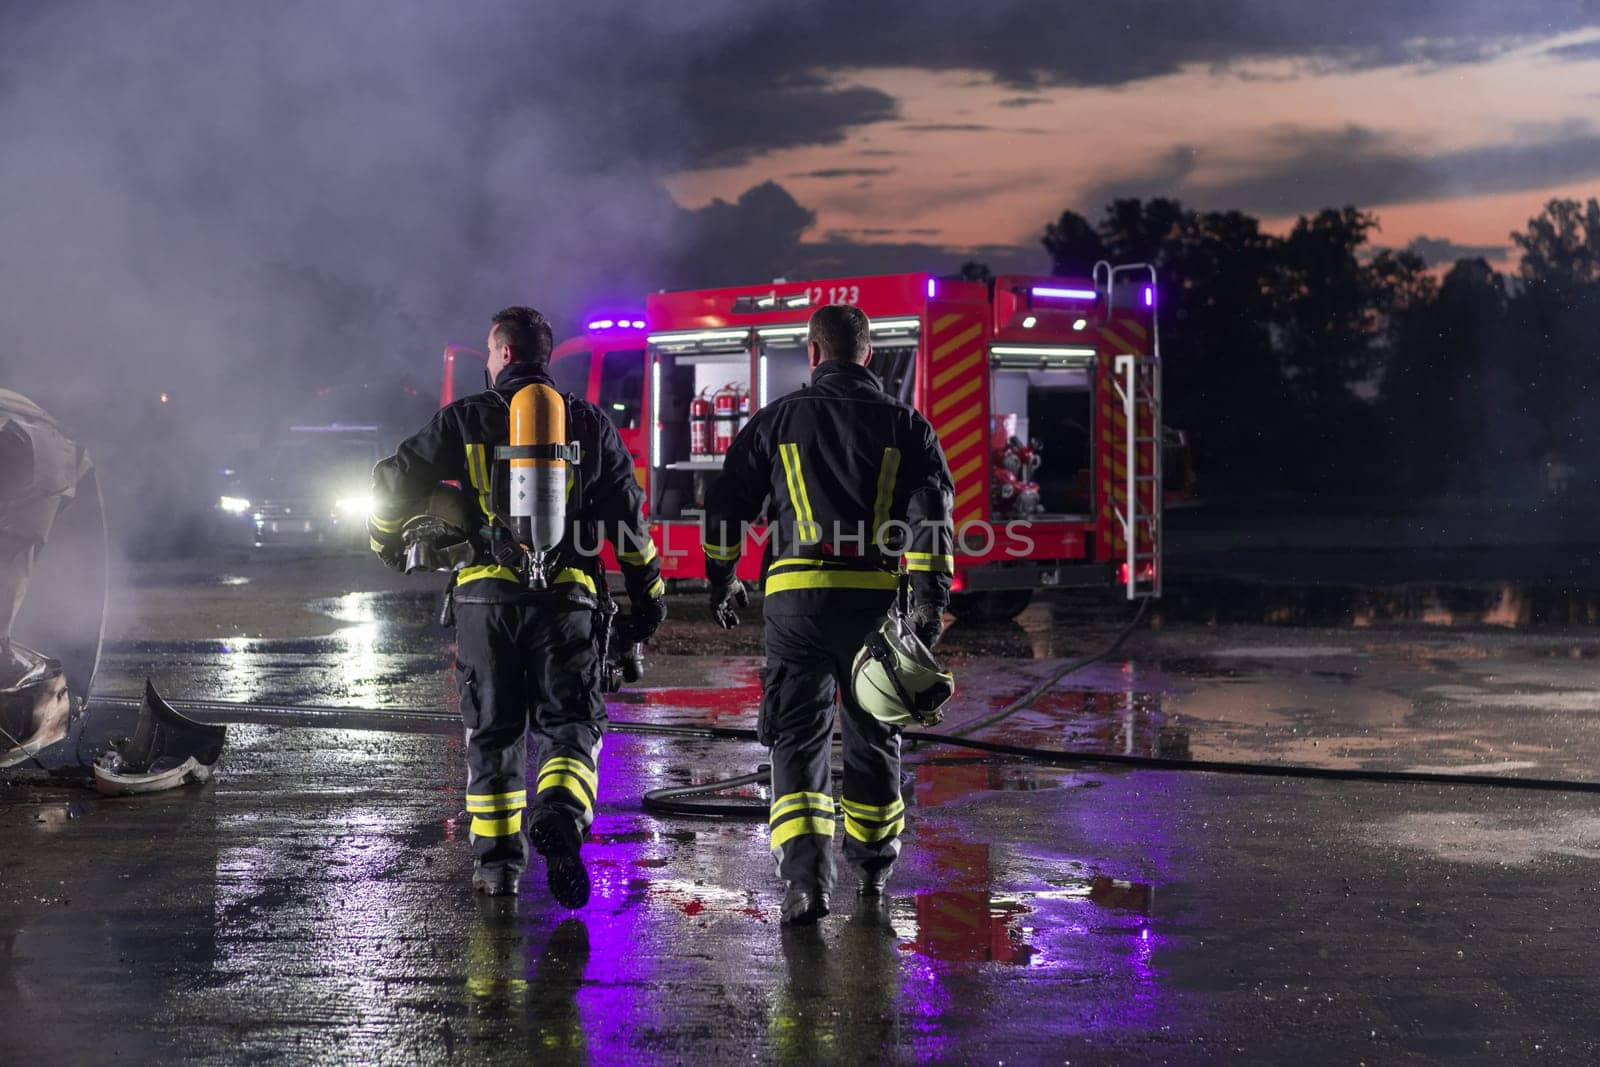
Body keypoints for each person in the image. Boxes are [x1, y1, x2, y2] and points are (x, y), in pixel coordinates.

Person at [369, 306, 665, 903]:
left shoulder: (463, 418)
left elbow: (392, 479)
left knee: (493, 731)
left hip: (484, 603)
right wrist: (647, 597)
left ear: (502, 354)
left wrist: (384, 541)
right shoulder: (588, 422)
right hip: (568, 603)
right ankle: (558, 810)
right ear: (545, 357)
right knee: (571, 724)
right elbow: (629, 519)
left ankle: (498, 867)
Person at [701, 304, 954, 925]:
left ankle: (806, 885)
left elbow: (726, 505)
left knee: (797, 736)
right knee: (875, 733)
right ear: (868, 356)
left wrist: (722, 579)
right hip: (873, 605)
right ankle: (872, 869)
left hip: (796, 603)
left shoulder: (777, 420)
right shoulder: (909, 426)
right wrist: (928, 604)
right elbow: (932, 520)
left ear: (813, 355)